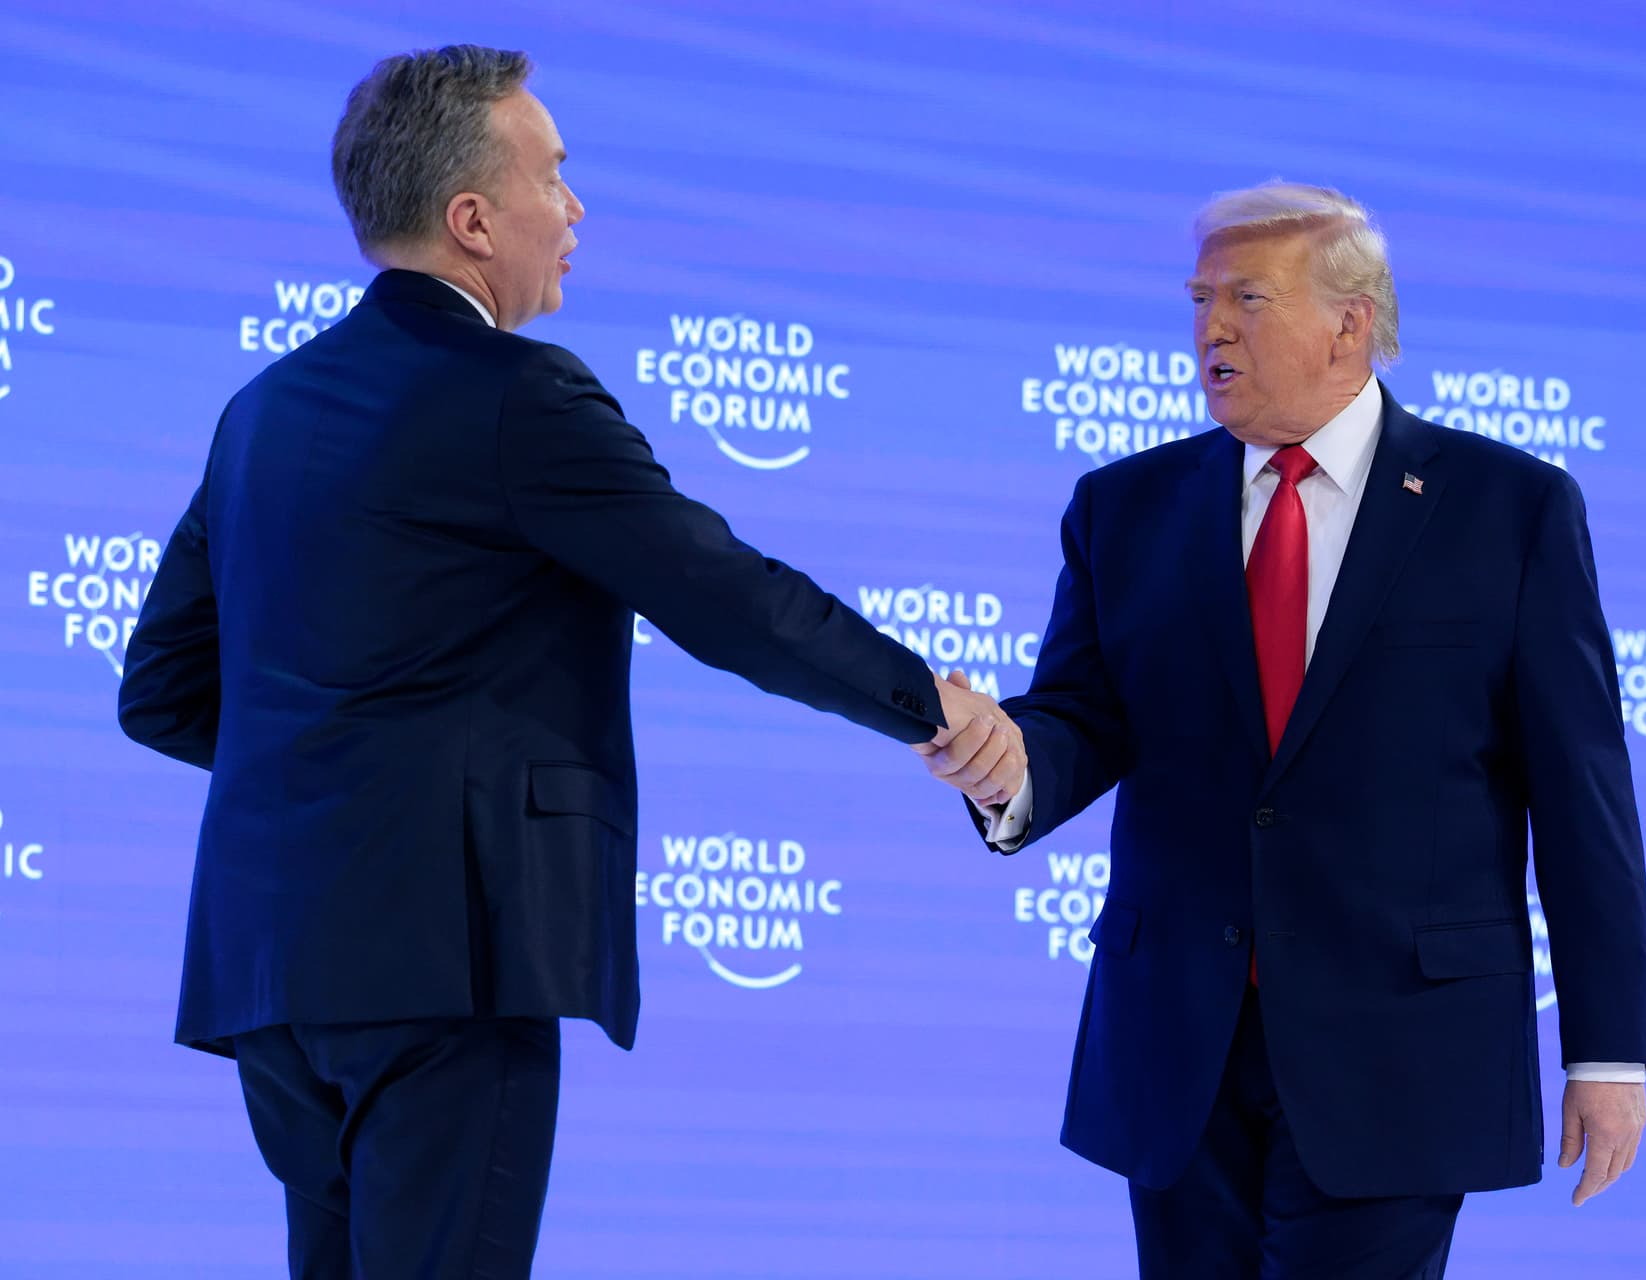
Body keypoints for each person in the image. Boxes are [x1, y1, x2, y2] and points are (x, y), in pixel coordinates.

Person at [118, 44, 997, 1280]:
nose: (575, 210)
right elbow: (725, 596)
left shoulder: (259, 409)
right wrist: (933, 706)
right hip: (447, 963)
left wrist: (345, 771)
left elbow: (158, 691)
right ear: (473, 220)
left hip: (274, 969)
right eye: (555, 177)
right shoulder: (514, 395)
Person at [916, 181, 1646, 1278]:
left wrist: (1608, 1048)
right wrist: (1007, 761)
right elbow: (1082, 718)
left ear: (1351, 323)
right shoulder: (1125, 506)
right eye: (1200, 300)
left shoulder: (1509, 509)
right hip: (1180, 1038)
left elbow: (1580, 790)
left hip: (1399, 1044)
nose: (1211, 329)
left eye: (1247, 299)